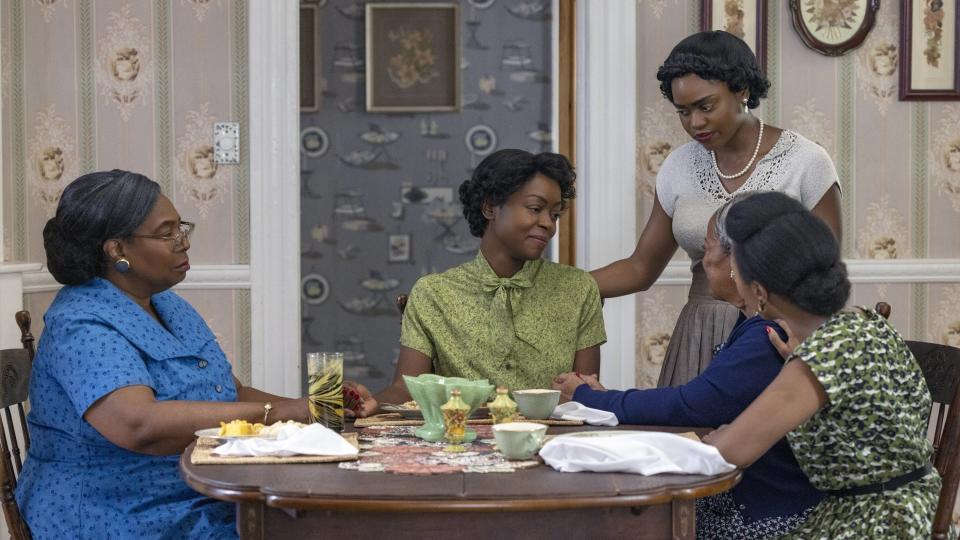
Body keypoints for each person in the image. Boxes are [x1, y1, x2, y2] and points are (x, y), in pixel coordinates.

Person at [15, 170, 376, 539]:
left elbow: (228, 392)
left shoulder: (167, 304)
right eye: (166, 233)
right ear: (117, 250)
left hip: (191, 491)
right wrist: (279, 414)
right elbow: (138, 425)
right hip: (117, 509)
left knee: (323, 517)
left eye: (181, 228)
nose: (183, 242)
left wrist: (319, 405)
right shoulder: (80, 323)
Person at [553, 198, 823, 538]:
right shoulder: (777, 320)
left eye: (707, 249)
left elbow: (694, 405)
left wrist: (589, 396)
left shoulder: (770, 332)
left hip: (772, 518)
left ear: (738, 261)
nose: (702, 261)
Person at [591, 30, 842, 387]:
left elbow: (825, 274)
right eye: (683, 112)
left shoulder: (805, 162)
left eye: (706, 106)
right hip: (699, 332)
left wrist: (804, 342)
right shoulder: (678, 167)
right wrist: (569, 287)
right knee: (684, 437)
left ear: (742, 90)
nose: (695, 123)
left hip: (775, 336)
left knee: (755, 441)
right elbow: (641, 267)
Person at [705, 191, 941, 538]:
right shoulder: (864, 324)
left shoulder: (818, 361)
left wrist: (719, 437)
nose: (731, 278)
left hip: (872, 526)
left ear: (759, 291)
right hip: (914, 512)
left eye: (735, 271)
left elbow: (728, 454)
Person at [375, 149, 606, 405]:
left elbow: (584, 399)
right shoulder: (433, 293)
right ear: (489, 207)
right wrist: (368, 403)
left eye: (554, 214)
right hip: (460, 440)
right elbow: (407, 391)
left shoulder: (578, 289)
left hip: (550, 441)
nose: (548, 224)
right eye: (535, 208)